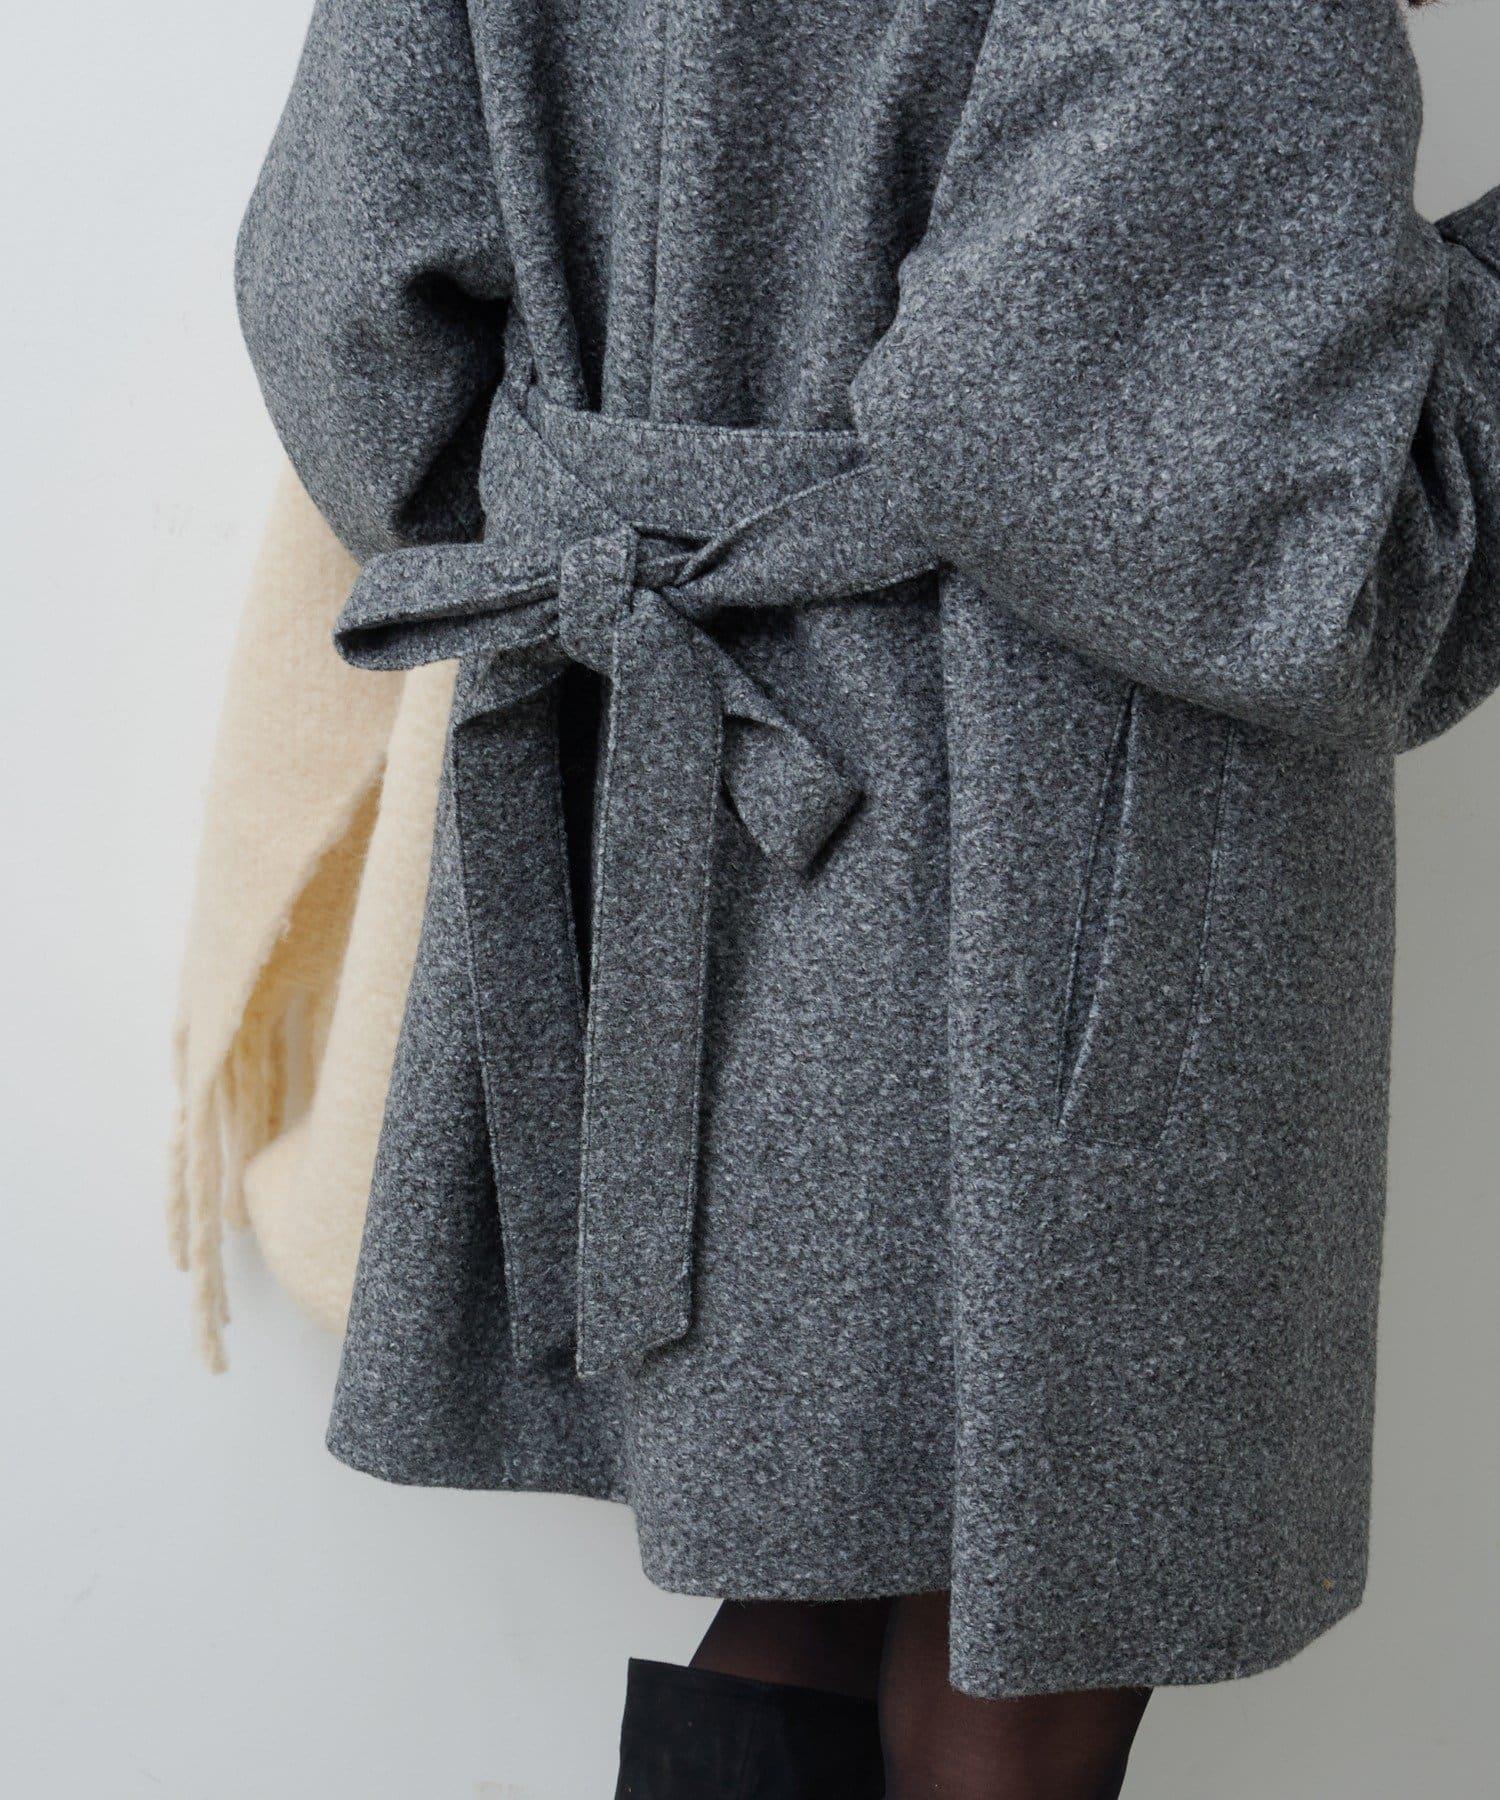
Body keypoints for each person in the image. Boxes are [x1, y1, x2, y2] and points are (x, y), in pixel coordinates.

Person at [230, 0, 1497, 1793]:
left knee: (810, 1590)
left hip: (661, 813)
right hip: (1077, 852)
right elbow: (1262, 540)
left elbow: (347, 315)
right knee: (1020, 1662)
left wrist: (622, 505)